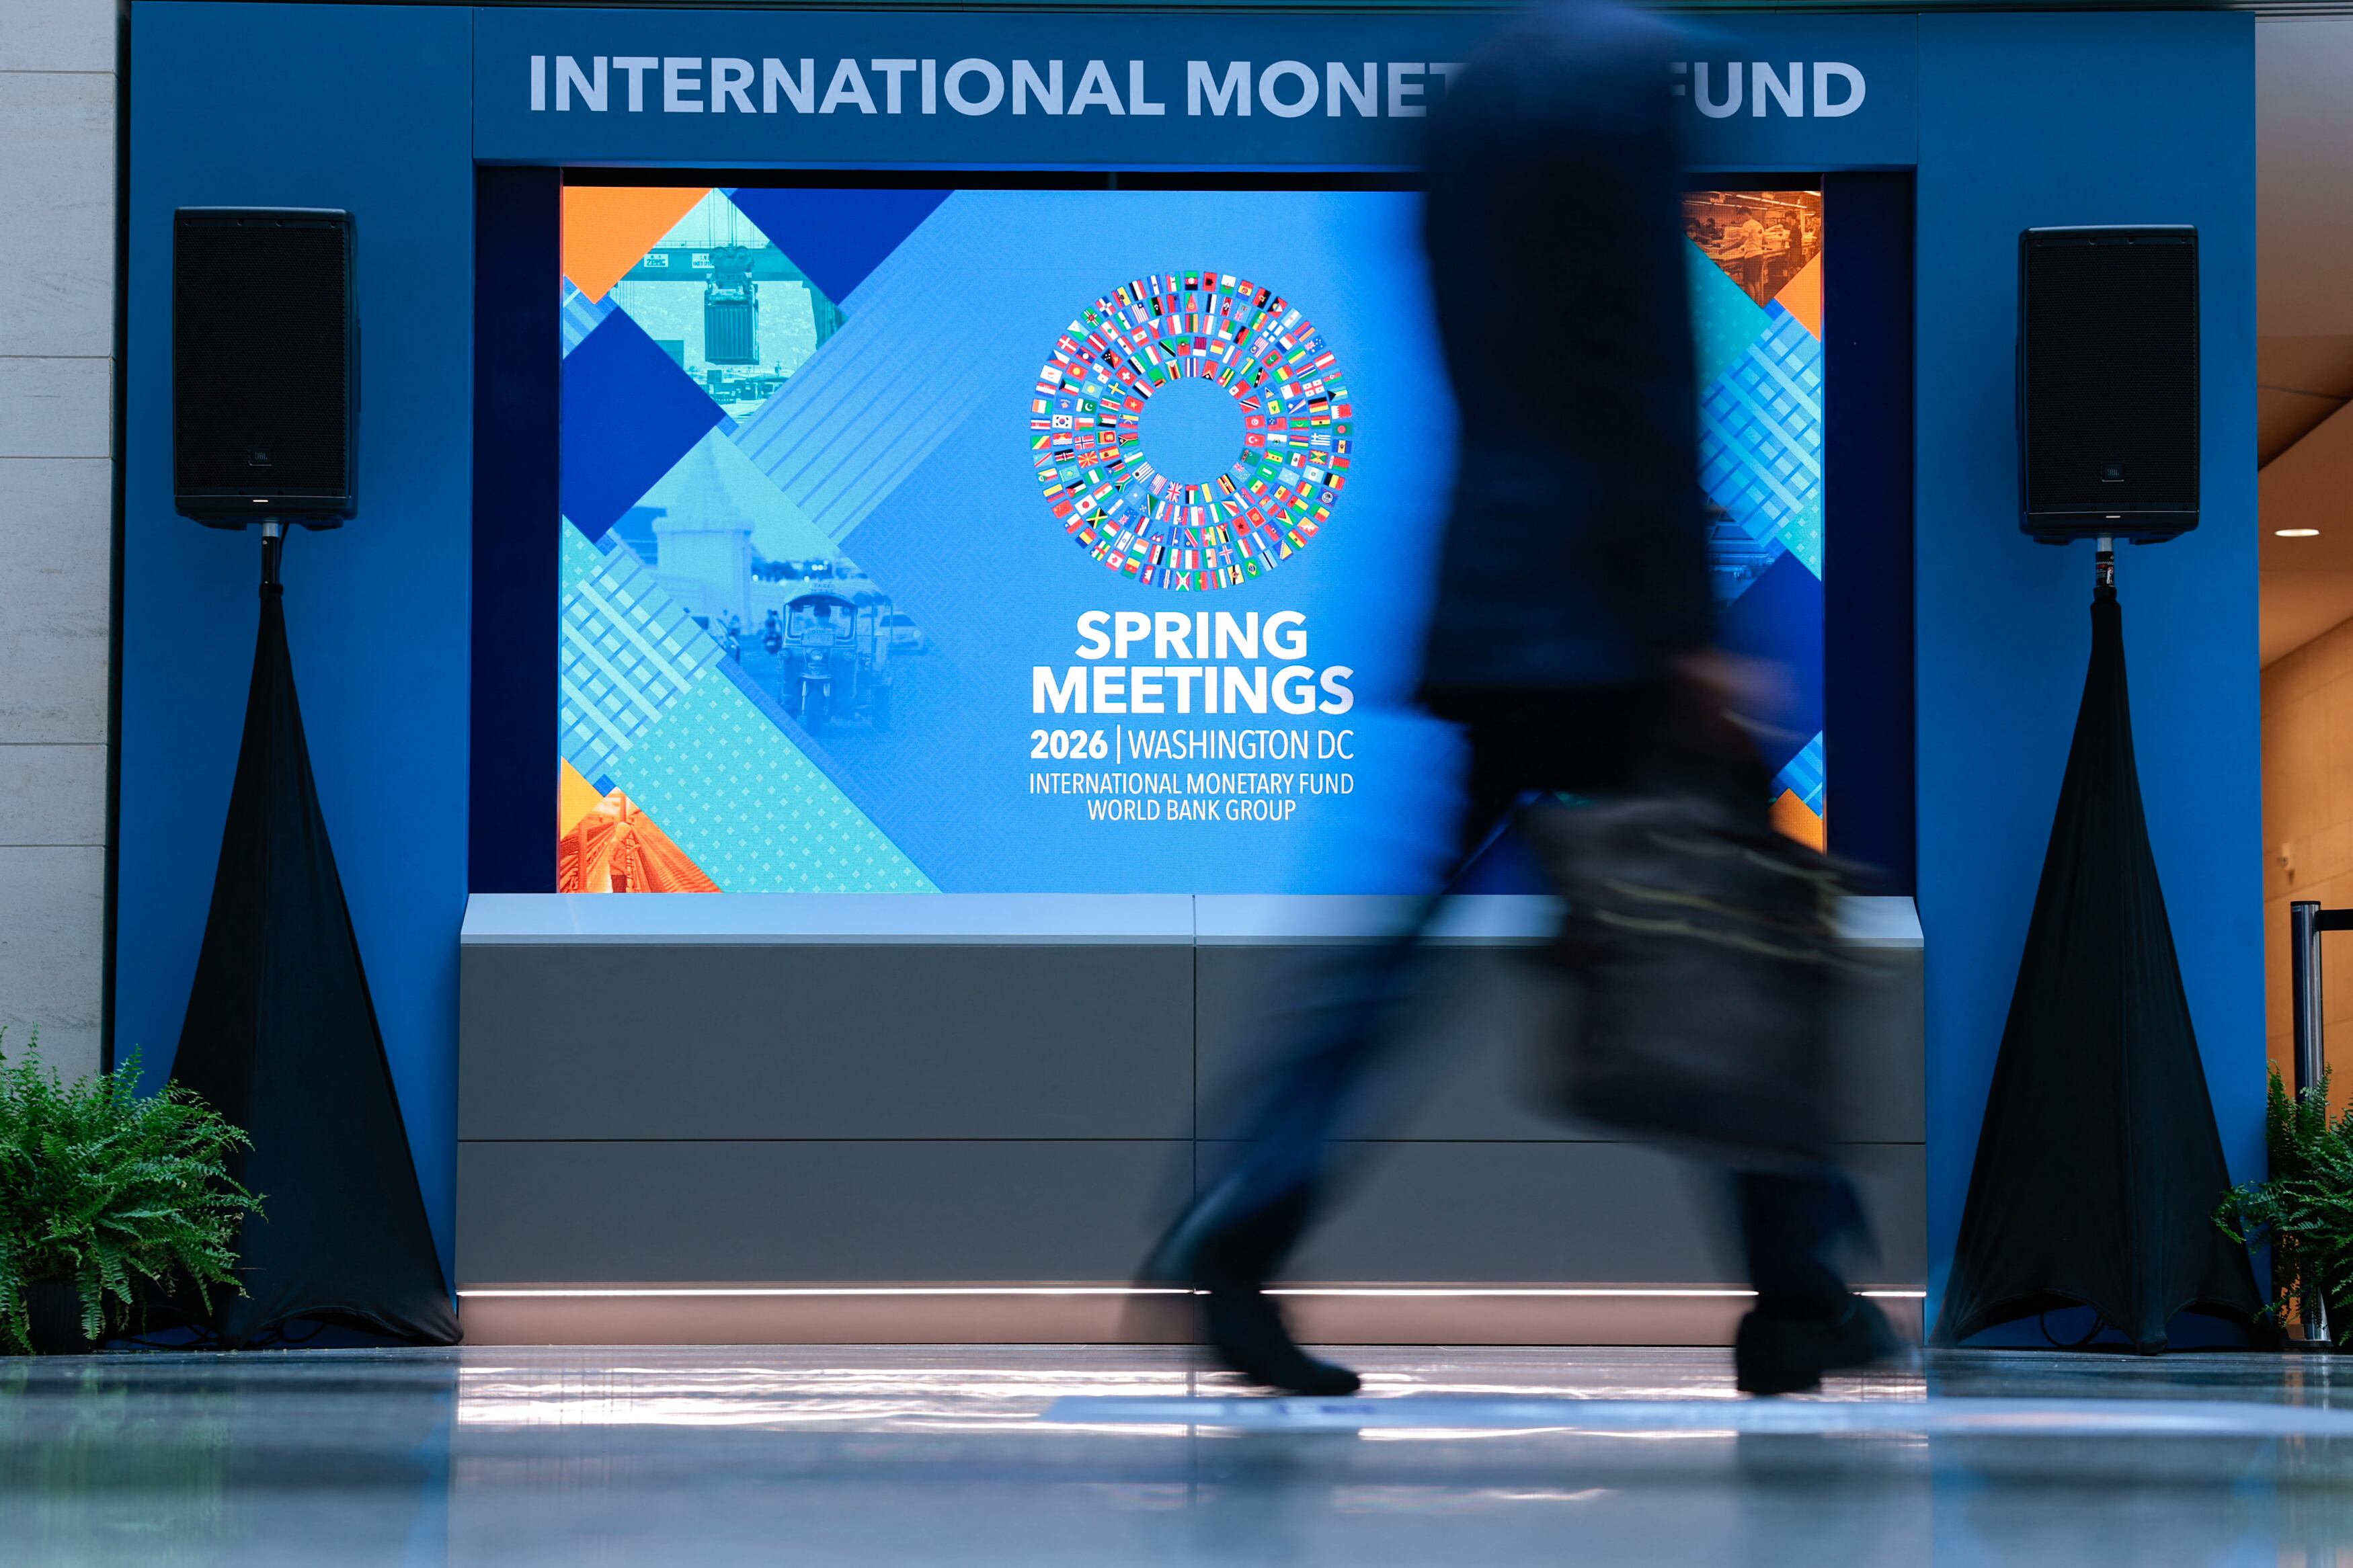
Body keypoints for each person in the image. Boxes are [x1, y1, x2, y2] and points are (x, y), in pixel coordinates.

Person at [1137, 0, 1899, 1399]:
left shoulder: (1463, 100)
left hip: (1485, 589)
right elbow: (1636, 364)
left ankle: (1246, 1217)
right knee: (1737, 932)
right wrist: (1683, 625)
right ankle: (1798, 1291)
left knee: (1393, 949)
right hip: (1604, 608)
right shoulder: (1630, 77)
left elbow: (1501, 363)